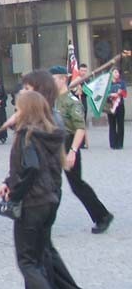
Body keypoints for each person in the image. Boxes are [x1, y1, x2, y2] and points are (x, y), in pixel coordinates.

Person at [0, 90, 70, 289]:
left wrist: (15, 194)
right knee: (38, 259)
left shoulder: (27, 135)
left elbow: (30, 168)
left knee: (27, 261)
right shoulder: (47, 134)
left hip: (33, 203)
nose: (14, 113)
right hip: (48, 199)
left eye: (18, 108)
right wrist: (10, 180)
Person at [20, 70, 90, 289]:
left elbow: (32, 163)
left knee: (37, 253)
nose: (23, 93)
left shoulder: (48, 119)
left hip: (43, 191)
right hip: (48, 188)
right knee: (44, 248)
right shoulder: (47, 116)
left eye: (28, 88)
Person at [51, 65, 113, 234]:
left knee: (77, 185)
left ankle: (102, 215)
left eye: (54, 79)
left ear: (63, 79)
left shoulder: (72, 101)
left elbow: (80, 128)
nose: (51, 82)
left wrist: (72, 151)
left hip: (68, 143)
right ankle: (43, 221)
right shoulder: (54, 99)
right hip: (54, 144)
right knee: (48, 182)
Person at [107, 68, 127, 149]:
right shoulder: (108, 83)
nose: (117, 74)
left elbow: (125, 94)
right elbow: (105, 95)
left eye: (118, 72)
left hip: (120, 105)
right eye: (115, 72)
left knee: (120, 125)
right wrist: (111, 95)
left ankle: (120, 144)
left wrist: (120, 92)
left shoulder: (122, 83)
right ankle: (113, 143)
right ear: (111, 73)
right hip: (111, 106)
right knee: (112, 125)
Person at [72, 64, 89, 148]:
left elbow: (89, 91)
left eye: (85, 71)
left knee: (83, 123)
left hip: (83, 103)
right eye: (82, 70)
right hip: (76, 104)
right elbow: (70, 90)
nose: (83, 72)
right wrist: (76, 91)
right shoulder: (74, 79)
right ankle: (77, 142)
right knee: (77, 123)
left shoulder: (87, 80)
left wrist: (82, 91)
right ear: (78, 70)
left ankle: (83, 142)